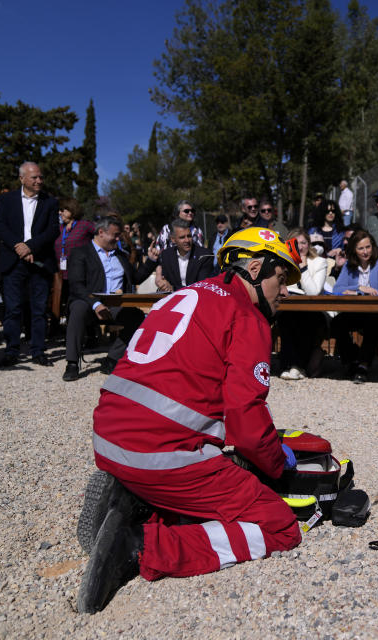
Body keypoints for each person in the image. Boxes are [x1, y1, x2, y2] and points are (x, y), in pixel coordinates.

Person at [76, 227, 303, 614]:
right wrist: (277, 466)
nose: (285, 293)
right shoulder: (247, 316)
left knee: (211, 462)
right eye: (281, 280)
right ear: (254, 267)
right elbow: (246, 422)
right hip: (160, 453)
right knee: (279, 524)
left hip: (108, 437)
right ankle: (141, 545)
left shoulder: (185, 294)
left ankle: (137, 496)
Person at [63, 216, 161, 382]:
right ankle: (72, 362)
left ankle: (112, 359)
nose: (118, 239)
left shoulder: (121, 256)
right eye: (115, 235)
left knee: (137, 317)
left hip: (115, 304)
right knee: (78, 309)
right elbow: (77, 285)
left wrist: (151, 261)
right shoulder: (81, 253)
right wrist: (96, 304)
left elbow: (135, 278)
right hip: (88, 302)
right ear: (101, 232)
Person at [0, 161, 59, 368]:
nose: (39, 180)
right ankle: (12, 350)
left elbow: (52, 230)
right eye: (34, 177)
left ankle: (38, 350)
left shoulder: (50, 202)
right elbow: (0, 226)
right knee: (13, 308)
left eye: (40, 177)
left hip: (39, 261)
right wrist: (18, 247)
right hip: (13, 262)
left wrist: (30, 247)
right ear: (22, 178)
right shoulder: (6, 200)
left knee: (39, 309)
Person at [330, 229, 378, 383]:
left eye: (368, 247)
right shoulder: (349, 266)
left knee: (373, 324)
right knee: (336, 323)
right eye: (361, 248)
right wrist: (360, 289)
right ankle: (352, 360)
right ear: (354, 250)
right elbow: (337, 290)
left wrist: (352, 291)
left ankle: (363, 366)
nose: (365, 252)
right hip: (356, 311)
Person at [278, 228, 328, 380]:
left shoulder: (319, 262)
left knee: (303, 318)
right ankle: (291, 365)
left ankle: (296, 366)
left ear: (309, 244)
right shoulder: (283, 263)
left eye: (303, 243)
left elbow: (313, 291)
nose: (300, 247)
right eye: (295, 243)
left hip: (314, 311)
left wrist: (303, 266)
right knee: (285, 318)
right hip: (288, 308)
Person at [52, 197, 95, 328]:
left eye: (62, 210)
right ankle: (66, 332)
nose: (60, 213)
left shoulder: (85, 225)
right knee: (64, 304)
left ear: (71, 209)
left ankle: (90, 334)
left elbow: (102, 235)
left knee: (81, 303)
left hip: (81, 274)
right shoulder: (59, 228)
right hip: (61, 275)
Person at [154, 218, 215, 292]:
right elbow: (166, 282)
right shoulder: (167, 255)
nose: (187, 240)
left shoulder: (205, 255)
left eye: (189, 236)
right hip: (173, 300)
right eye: (182, 237)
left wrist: (173, 288)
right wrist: (163, 285)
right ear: (173, 239)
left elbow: (201, 286)